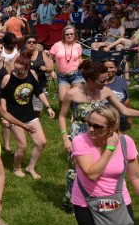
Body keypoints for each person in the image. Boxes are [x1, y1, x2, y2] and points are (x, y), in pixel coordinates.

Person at [72, 105, 137, 225]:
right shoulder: (80, 141)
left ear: (112, 127)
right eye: (88, 124)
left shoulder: (127, 143)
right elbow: (92, 173)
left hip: (118, 199)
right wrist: (109, 148)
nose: (90, 129)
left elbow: (136, 177)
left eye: (97, 127)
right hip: (86, 201)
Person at [59, 60, 139, 212]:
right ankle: (75, 203)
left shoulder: (106, 92)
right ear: (89, 80)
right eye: (102, 80)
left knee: (100, 167)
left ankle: (99, 200)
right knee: (75, 171)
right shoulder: (72, 93)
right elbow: (62, 116)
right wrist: (65, 138)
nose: (105, 83)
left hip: (100, 136)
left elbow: (124, 110)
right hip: (79, 137)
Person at [0, 55, 55, 179]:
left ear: (27, 68)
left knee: (41, 142)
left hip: (30, 114)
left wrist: (48, 107)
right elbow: (3, 98)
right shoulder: (7, 78)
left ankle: (30, 167)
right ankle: (17, 168)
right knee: (22, 145)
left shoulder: (31, 75)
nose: (16, 72)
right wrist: (4, 116)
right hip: (14, 117)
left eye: (20, 70)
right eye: (15, 69)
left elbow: (39, 92)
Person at [49, 25, 84, 102]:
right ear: (63, 35)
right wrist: (51, 71)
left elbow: (79, 58)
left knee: (77, 99)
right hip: (63, 76)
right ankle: (63, 113)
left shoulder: (78, 46)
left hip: (76, 74)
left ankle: (73, 114)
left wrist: (83, 65)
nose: (69, 36)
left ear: (75, 35)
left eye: (72, 34)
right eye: (67, 34)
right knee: (63, 99)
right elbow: (49, 59)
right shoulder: (57, 45)